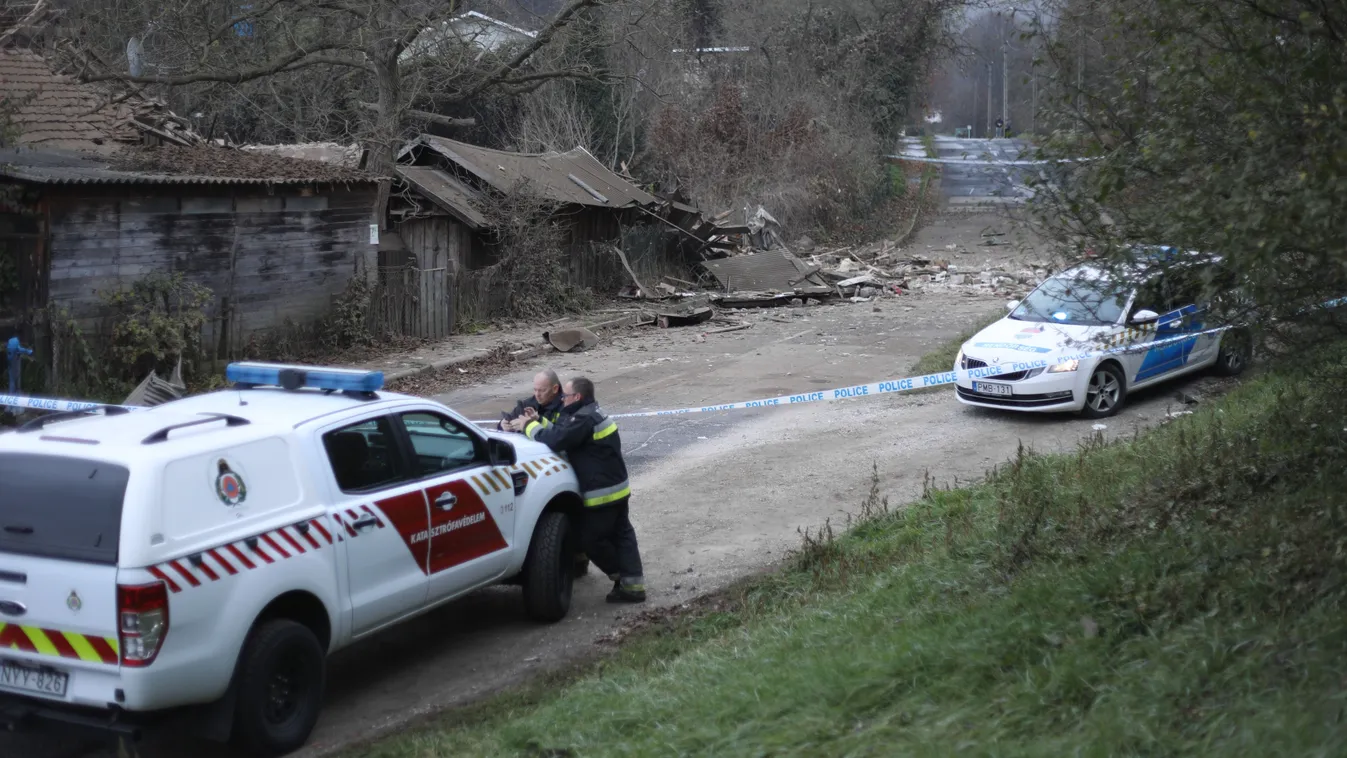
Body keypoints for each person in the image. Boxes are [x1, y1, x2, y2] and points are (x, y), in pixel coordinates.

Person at [521, 377, 646, 603]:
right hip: (617, 488)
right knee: (622, 534)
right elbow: (567, 432)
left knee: (590, 540)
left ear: (577, 397)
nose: (562, 400)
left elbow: (558, 439)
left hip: (602, 493)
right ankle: (633, 586)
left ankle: (622, 575)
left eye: (565, 396)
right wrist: (540, 420)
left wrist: (529, 426)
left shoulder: (583, 418)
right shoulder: (590, 413)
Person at [498, 369, 565, 433]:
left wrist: (527, 426)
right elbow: (510, 417)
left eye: (542, 390)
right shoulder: (529, 404)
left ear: (555, 389)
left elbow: (559, 436)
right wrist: (503, 424)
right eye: (535, 390)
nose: (537, 394)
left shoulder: (566, 407)